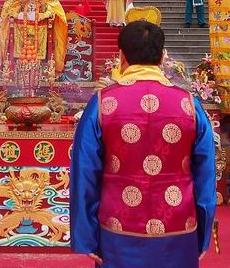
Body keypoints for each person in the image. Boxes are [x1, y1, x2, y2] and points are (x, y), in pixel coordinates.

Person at [71, 21, 217, 268]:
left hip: (117, 230)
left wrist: (87, 236)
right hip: (179, 229)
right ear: (162, 57)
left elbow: (85, 172)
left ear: (121, 55)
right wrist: (202, 234)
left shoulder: (102, 104)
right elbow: (205, 174)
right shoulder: (189, 106)